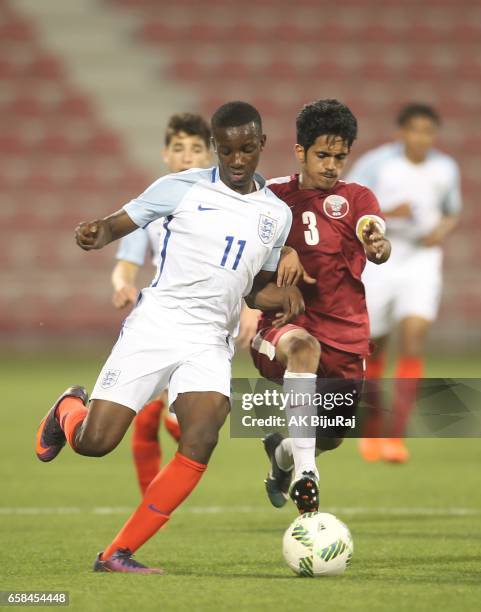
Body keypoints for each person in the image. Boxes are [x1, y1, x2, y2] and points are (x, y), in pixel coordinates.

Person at [35, 101, 305, 574]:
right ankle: (68, 407)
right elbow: (118, 225)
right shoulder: (180, 187)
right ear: (216, 149)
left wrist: (280, 297)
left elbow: (253, 287)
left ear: (262, 145)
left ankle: (117, 553)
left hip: (209, 338)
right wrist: (94, 233)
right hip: (157, 325)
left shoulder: (275, 215)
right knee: (95, 442)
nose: (237, 160)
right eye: (227, 150)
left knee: (203, 433)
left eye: (246, 149)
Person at [250, 99, 391, 513]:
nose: (332, 165)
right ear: (301, 152)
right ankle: (306, 477)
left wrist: (377, 243)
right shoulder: (273, 197)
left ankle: (283, 455)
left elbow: (373, 232)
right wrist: (284, 250)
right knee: (302, 349)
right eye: (322, 155)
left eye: (340, 156)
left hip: (346, 335)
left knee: (330, 434)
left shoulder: (358, 197)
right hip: (284, 324)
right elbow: (249, 253)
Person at [347, 103, 461, 463]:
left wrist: (440, 231)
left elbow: (451, 211)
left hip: (422, 261)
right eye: (415, 130)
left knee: (413, 337)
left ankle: (395, 436)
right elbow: (347, 206)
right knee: (374, 346)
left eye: (428, 132)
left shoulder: (445, 168)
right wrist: (386, 214)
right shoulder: (377, 164)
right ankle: (372, 432)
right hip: (381, 258)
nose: (421, 138)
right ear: (400, 132)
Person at [111, 113, 212, 494]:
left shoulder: (230, 206)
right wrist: (123, 285)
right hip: (162, 318)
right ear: (166, 156)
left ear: (210, 156)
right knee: (144, 413)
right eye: (179, 148)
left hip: (208, 321)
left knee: (188, 418)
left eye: (197, 149)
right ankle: (150, 497)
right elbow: (126, 262)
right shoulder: (149, 207)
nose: (187, 157)